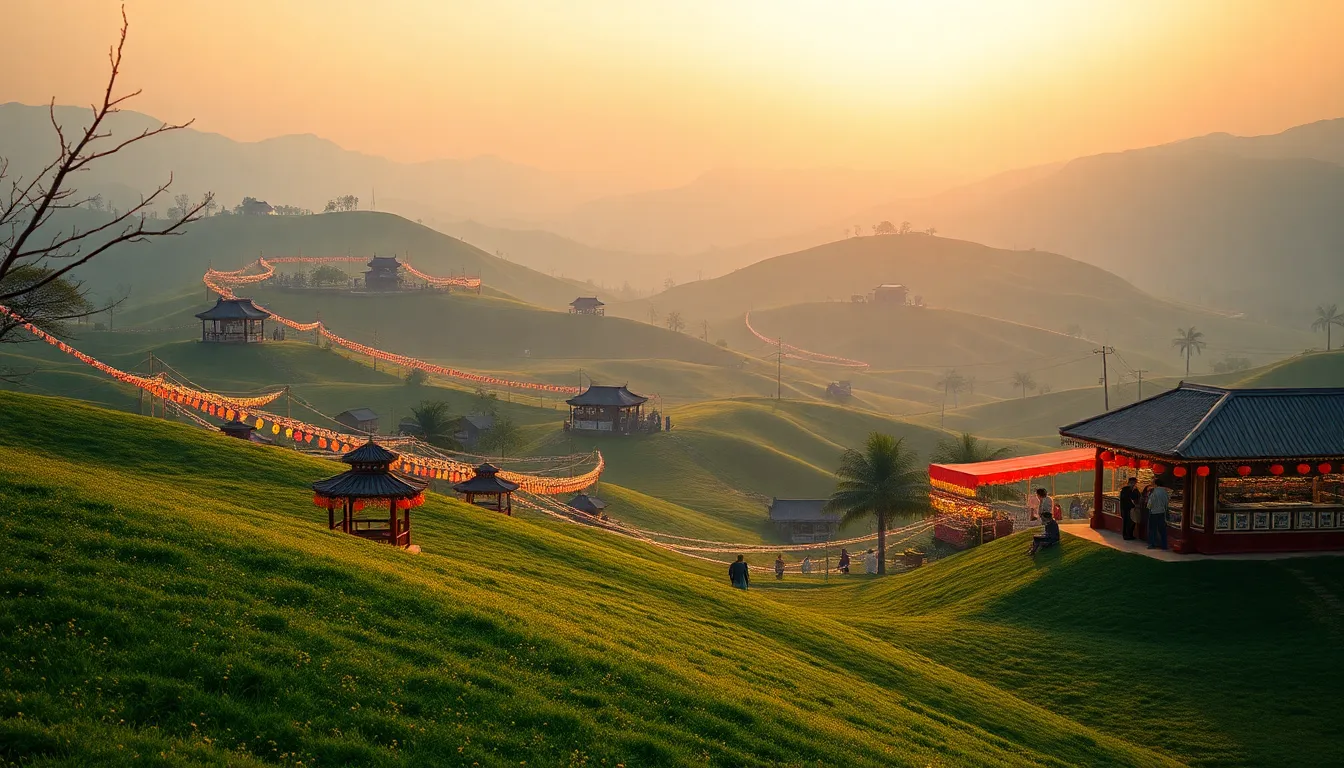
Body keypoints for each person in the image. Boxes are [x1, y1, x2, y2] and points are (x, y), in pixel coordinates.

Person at [1147, 477, 1171, 551]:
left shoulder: (1153, 491)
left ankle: (1152, 544)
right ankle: (1164, 545)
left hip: (1154, 512)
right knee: (1162, 529)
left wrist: (1148, 507)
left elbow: (1150, 503)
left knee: (1152, 529)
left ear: (1156, 484)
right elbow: (1167, 502)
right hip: (1162, 512)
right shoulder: (1165, 492)